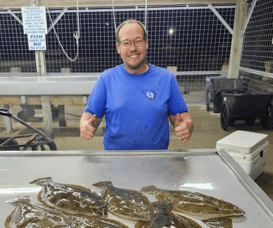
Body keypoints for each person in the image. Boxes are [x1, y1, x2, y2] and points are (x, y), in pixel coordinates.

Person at [80, 19, 193, 150]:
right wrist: (84, 125)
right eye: (126, 43)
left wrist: (187, 126)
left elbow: (183, 118)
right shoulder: (106, 79)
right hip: (115, 163)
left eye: (138, 41)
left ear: (146, 43)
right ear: (118, 47)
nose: (133, 48)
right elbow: (89, 116)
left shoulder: (166, 78)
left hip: (157, 162)